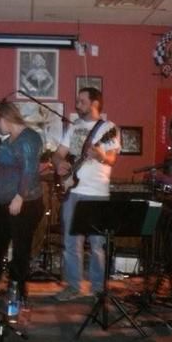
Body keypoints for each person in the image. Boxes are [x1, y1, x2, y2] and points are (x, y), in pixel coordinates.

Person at [52, 87, 120, 301]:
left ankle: (98, 288)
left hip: (97, 192)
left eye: (81, 101)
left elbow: (111, 159)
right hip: (72, 191)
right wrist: (59, 163)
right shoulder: (74, 127)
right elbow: (58, 154)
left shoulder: (108, 128)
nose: (77, 104)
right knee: (71, 243)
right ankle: (74, 286)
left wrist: (100, 155)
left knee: (97, 244)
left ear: (94, 104)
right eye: (77, 100)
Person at [0, 102, 44, 305]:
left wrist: (19, 197)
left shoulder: (30, 138)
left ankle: (17, 292)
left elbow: (29, 169)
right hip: (3, 201)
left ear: (5, 118)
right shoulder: (9, 140)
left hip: (24, 202)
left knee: (20, 249)